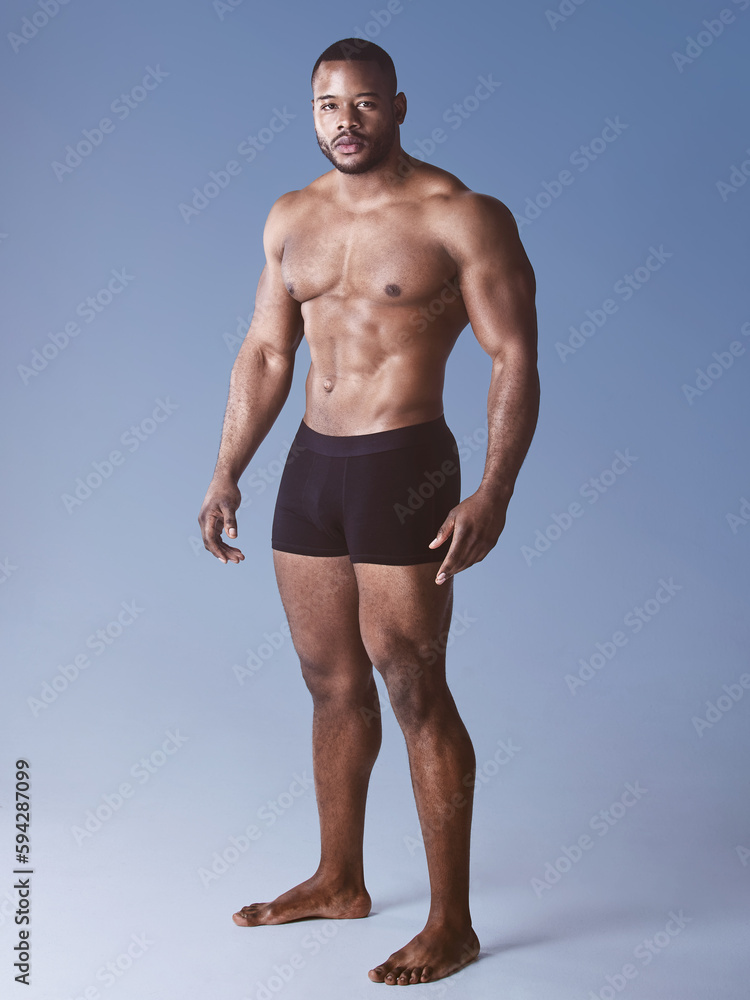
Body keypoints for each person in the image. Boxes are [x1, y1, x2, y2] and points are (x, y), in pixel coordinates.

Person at [198, 37, 540, 987]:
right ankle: (339, 879)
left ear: (398, 104)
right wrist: (228, 468)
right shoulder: (290, 217)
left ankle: (452, 924)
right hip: (313, 466)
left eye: (362, 104)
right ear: (311, 112)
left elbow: (513, 356)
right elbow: (268, 353)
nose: (343, 123)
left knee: (412, 680)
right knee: (328, 681)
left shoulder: (460, 215)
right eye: (325, 106)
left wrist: (494, 490)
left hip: (406, 465)